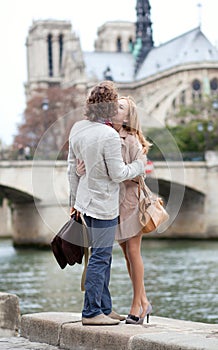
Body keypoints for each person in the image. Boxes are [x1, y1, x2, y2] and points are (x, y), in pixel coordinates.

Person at [67, 81, 146, 326]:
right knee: (101, 258)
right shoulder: (109, 135)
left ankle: (104, 307)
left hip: (84, 201)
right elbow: (118, 173)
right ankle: (92, 312)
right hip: (103, 205)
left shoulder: (78, 128)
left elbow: (72, 168)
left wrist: (73, 200)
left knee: (101, 257)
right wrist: (139, 165)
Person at [112, 96, 152, 325]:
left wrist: (118, 172)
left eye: (120, 106)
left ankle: (137, 305)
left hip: (130, 201)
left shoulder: (132, 141)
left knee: (134, 252)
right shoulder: (111, 136)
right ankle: (144, 301)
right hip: (117, 202)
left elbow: (140, 173)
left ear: (127, 116)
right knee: (127, 254)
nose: (115, 108)